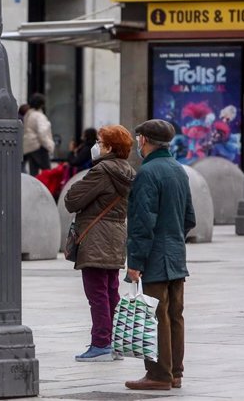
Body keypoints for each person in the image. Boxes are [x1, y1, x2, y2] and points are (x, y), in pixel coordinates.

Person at [125, 119, 196, 390]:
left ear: (144, 140)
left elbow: (143, 222)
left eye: (138, 138)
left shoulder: (148, 173)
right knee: (175, 315)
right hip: (176, 253)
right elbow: (190, 217)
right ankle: (175, 372)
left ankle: (158, 375)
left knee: (156, 314)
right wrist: (174, 236)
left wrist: (135, 262)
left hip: (155, 254)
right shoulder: (179, 170)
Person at [64, 125, 136, 362]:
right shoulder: (127, 170)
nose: (96, 146)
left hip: (96, 237)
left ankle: (101, 343)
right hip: (115, 236)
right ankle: (113, 342)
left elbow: (72, 200)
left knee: (96, 293)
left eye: (100, 142)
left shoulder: (102, 171)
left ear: (109, 147)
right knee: (110, 291)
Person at [22, 93, 55, 176]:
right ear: (41, 104)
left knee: (34, 173)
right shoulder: (39, 116)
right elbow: (42, 133)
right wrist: (49, 146)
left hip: (29, 147)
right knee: (48, 173)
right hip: (39, 146)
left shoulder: (28, 115)